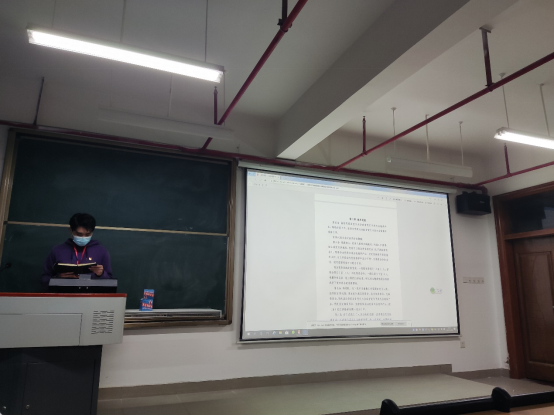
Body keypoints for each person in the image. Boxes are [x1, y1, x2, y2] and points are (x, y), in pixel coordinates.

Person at [41, 213, 113, 287]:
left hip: (91, 293)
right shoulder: (57, 251)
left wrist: (101, 274)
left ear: (92, 233)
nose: (83, 237)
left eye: (87, 234)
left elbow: (111, 283)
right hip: (63, 293)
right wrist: (58, 278)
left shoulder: (102, 251)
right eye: (79, 234)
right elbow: (44, 279)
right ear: (71, 230)